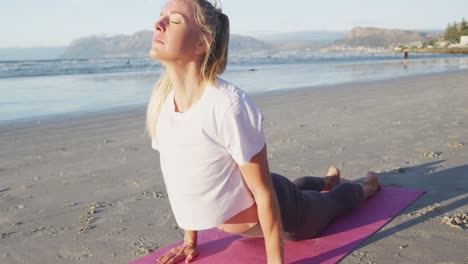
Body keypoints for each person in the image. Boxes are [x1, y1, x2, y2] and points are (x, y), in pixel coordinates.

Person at [146, 1, 381, 263]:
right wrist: (190, 242)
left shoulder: (227, 106)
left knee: (333, 204)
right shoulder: (163, 105)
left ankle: (366, 186)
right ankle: (327, 180)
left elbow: (265, 193)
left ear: (202, 44)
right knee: (295, 188)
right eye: (161, 16)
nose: (158, 24)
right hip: (263, 198)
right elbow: (183, 179)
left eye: (175, 20)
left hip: (287, 216)